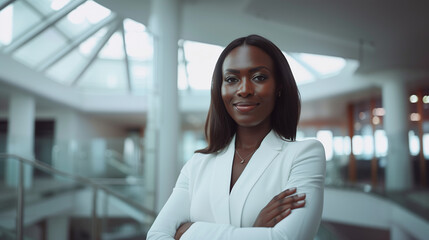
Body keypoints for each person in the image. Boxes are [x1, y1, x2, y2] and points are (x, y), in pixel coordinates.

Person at [147, 34, 326, 240]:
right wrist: (256, 230)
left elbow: (286, 238)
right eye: (231, 79)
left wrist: (189, 232)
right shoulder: (196, 165)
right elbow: (156, 236)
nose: (244, 90)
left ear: (279, 87)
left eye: (259, 77)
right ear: (220, 89)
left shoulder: (304, 155)